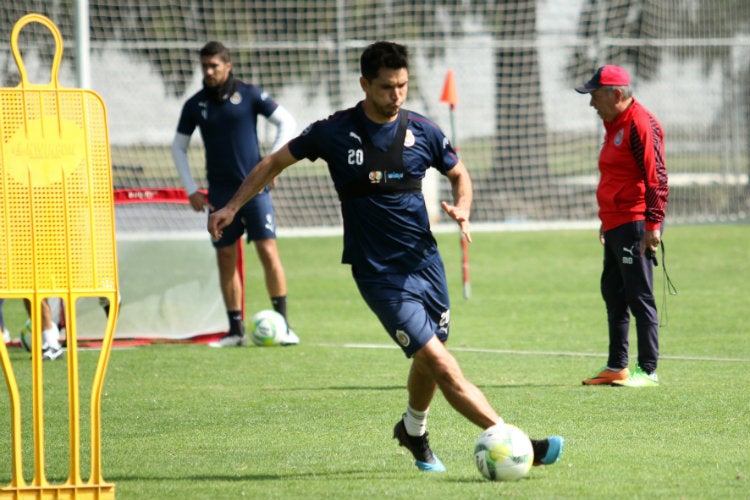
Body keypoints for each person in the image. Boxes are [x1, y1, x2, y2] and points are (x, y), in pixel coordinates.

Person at [208, 41, 564, 472]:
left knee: (430, 358)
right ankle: (519, 443)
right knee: (441, 363)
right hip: (379, 275)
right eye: (386, 87)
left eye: (402, 85)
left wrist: (464, 205)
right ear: (364, 84)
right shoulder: (334, 132)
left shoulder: (424, 131)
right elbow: (273, 163)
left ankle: (412, 432)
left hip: (427, 266)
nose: (396, 95)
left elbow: (458, 173)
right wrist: (231, 206)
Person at [172, 41, 299, 348]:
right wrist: (191, 189)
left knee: (268, 253)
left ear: (228, 66)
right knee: (226, 258)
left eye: (214, 65)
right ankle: (235, 331)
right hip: (219, 194)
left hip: (255, 190)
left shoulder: (251, 94)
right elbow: (178, 146)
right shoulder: (195, 105)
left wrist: (272, 164)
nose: (209, 71)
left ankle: (284, 325)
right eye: (205, 66)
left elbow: (287, 122)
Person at [575, 65, 668, 387]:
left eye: (595, 96)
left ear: (616, 94)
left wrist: (653, 225)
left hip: (636, 222)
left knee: (639, 295)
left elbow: (656, 177)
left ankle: (648, 370)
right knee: (613, 294)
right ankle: (617, 366)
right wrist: (605, 222)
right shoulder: (613, 123)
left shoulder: (640, 124)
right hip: (615, 223)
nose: (591, 104)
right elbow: (616, 176)